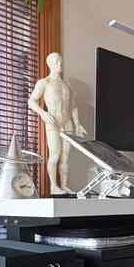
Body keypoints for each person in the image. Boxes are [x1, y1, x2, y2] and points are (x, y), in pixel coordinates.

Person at [28, 52, 86, 194]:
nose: (60, 64)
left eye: (60, 61)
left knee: (65, 157)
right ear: (50, 64)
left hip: (68, 123)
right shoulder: (44, 82)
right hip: (53, 122)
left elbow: (73, 106)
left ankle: (64, 185)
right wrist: (43, 113)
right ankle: (54, 186)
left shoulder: (67, 85)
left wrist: (77, 124)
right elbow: (31, 101)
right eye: (56, 62)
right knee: (55, 155)